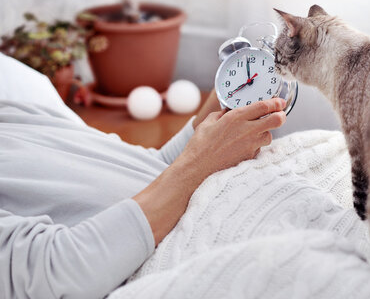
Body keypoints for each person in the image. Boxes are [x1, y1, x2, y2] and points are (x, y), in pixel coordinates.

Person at [0, 52, 287, 298]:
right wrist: (199, 164)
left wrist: (223, 101)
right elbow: (59, 272)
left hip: (260, 199)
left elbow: (150, 167)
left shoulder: (14, 111)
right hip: (217, 256)